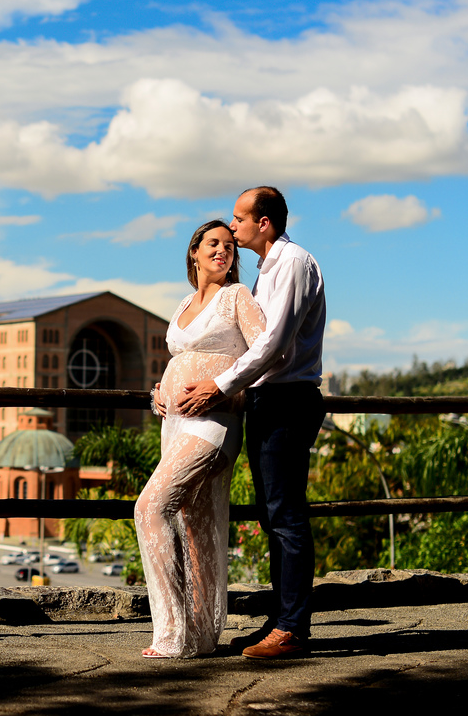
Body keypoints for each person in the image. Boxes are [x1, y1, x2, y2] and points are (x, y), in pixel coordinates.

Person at [178, 186, 326, 660]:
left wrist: (217, 387)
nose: (233, 227)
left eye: (239, 219)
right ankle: (280, 621)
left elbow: (273, 345)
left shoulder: (294, 264)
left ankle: (293, 629)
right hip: (265, 400)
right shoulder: (266, 273)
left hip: (288, 399)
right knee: (271, 515)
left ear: (264, 223)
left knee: (286, 515)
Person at [135, 219, 266, 658]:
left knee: (151, 506)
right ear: (194, 252)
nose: (223, 251)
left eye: (230, 246)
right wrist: (163, 390)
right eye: (213, 244)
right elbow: (185, 357)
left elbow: (266, 356)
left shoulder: (238, 297)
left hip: (215, 423)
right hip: (174, 423)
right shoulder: (183, 303)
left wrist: (224, 387)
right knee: (195, 525)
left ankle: (171, 633)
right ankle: (202, 635)